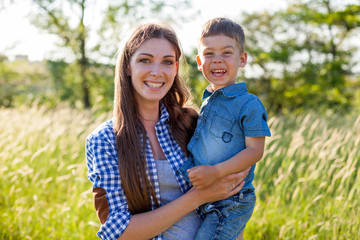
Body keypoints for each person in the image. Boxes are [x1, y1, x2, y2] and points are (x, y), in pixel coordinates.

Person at [86, 23, 249, 240]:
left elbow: (231, 194)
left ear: (175, 68)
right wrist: (197, 197)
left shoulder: (192, 123)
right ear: (127, 66)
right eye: (145, 60)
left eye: (167, 62)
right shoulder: (105, 140)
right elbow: (119, 232)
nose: (157, 72)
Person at [179, 17, 271, 240]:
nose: (217, 60)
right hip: (207, 196)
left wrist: (215, 172)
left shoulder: (249, 104)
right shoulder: (209, 101)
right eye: (209, 54)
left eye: (226, 53)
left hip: (231, 200)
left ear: (242, 59)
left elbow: (255, 151)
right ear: (200, 62)